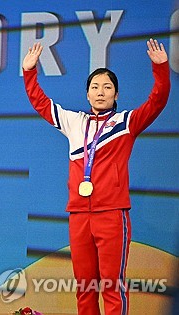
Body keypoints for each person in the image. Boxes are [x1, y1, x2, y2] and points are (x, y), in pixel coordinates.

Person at [21, 39, 170, 315]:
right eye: (95, 87)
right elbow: (41, 103)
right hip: (79, 214)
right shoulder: (74, 122)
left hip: (112, 214)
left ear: (116, 94)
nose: (100, 92)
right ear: (87, 95)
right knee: (85, 287)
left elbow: (157, 100)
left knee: (112, 286)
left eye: (107, 87)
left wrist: (160, 68)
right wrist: (29, 72)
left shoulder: (126, 123)